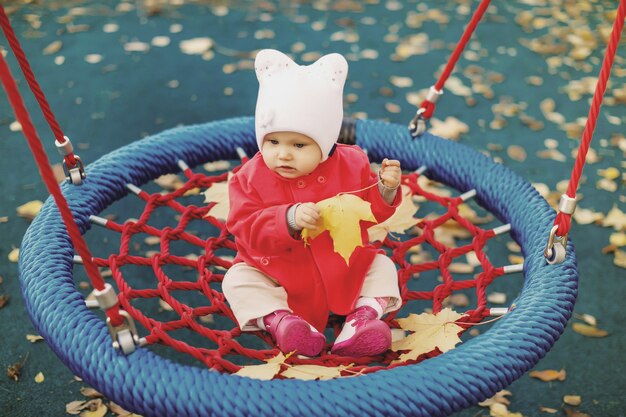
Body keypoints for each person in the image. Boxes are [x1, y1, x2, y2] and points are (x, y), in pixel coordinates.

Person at [222, 49, 402, 357]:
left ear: (326, 141)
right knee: (237, 279)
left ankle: (361, 321)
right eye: (273, 142)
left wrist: (385, 190)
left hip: (344, 267)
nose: (283, 154)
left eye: (299, 144)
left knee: (382, 266)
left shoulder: (352, 162)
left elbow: (366, 212)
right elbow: (244, 226)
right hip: (278, 273)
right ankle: (281, 321)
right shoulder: (249, 176)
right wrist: (287, 219)